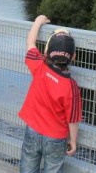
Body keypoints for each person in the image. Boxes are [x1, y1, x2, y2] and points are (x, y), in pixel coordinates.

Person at [18, 15, 82, 173]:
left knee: (27, 166)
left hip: (32, 130)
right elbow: (73, 119)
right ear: (73, 56)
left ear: (46, 52)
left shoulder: (39, 67)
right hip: (55, 137)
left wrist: (37, 23)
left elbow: (30, 43)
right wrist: (73, 140)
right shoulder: (71, 86)